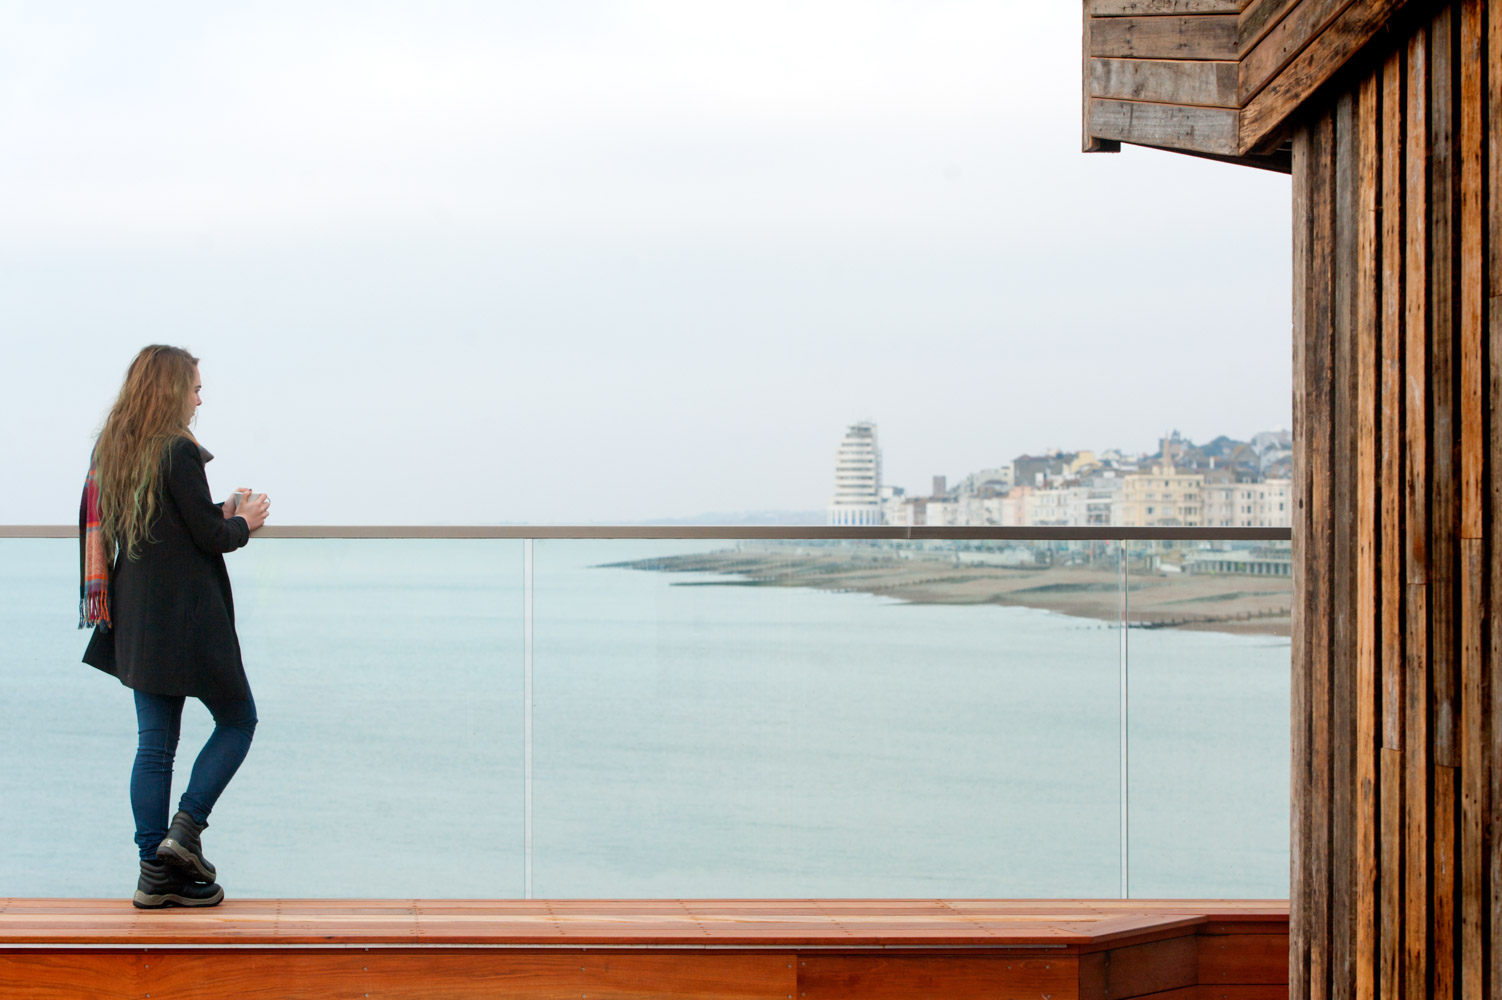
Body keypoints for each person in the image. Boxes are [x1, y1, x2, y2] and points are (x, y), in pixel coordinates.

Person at [79, 345, 271, 909]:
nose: (199, 396)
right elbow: (208, 537)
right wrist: (242, 521)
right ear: (170, 390)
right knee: (239, 720)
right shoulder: (176, 451)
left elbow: (170, 519)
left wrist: (219, 509)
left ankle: (153, 872)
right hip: (187, 618)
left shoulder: (114, 449)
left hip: (135, 613)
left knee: (155, 745)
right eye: (194, 386)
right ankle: (185, 831)